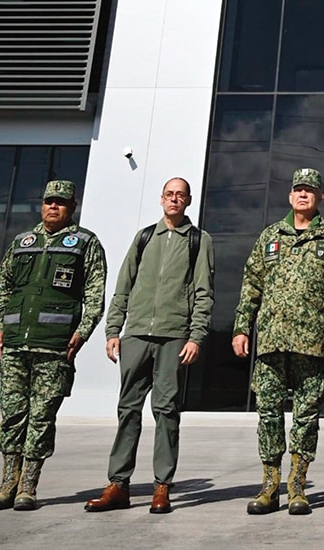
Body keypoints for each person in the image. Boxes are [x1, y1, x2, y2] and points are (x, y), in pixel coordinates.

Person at [84, 177, 215, 515]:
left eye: (180, 195)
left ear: (188, 201)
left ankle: (162, 487)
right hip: (136, 334)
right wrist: (114, 330)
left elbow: (204, 294)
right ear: (161, 199)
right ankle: (118, 484)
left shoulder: (200, 241)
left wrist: (195, 337)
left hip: (174, 337)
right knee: (127, 410)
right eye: (169, 194)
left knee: (167, 411)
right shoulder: (144, 237)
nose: (174, 200)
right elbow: (123, 286)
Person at [232, 168, 324, 516]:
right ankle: (270, 486)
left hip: (312, 343)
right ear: (290, 196)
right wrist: (241, 328)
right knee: (268, 415)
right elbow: (251, 285)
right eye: (298, 190)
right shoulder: (270, 236)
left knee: (306, 416)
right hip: (271, 341)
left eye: (310, 191)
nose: (303, 195)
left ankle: (298, 487)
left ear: (320, 198)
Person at [0, 180, 107, 511]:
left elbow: (95, 294)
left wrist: (82, 332)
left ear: (72, 207)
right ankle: (7, 483)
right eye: (48, 201)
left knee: (41, 417)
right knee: (13, 414)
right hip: (15, 344)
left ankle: (28, 485)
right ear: (41, 205)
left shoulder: (84, 243)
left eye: (60, 202)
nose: (53, 207)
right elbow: (2, 285)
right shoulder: (22, 242)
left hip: (54, 347)